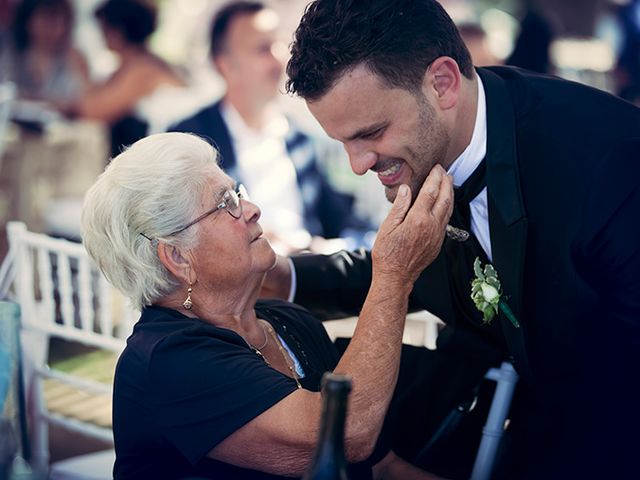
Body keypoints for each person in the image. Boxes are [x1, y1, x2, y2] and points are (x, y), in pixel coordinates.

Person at [262, 0, 640, 478]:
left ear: (442, 83)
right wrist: (285, 278)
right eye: (343, 143)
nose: (358, 164)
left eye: (371, 133)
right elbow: (408, 262)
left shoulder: (609, 167)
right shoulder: (434, 149)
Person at [80, 131, 452, 479]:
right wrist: (393, 273)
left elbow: (380, 468)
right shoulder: (169, 360)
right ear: (178, 257)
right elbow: (347, 437)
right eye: (225, 204)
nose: (252, 209)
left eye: (237, 194)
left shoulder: (286, 321)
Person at [170, 1, 373, 254]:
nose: (279, 58)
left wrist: (318, 248)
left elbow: (347, 223)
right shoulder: (188, 140)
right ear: (226, 65)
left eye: (280, 45)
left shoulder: (305, 140)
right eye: (263, 48)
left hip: (306, 279)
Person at [68, 0, 186, 156]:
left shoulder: (143, 70)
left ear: (118, 31)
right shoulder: (133, 65)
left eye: (104, 27)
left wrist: (81, 70)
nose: (101, 34)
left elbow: (92, 111)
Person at [4, 0, 89, 104]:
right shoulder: (10, 52)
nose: (52, 30)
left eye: (58, 23)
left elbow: (84, 103)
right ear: (28, 21)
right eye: (46, 21)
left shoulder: (75, 58)